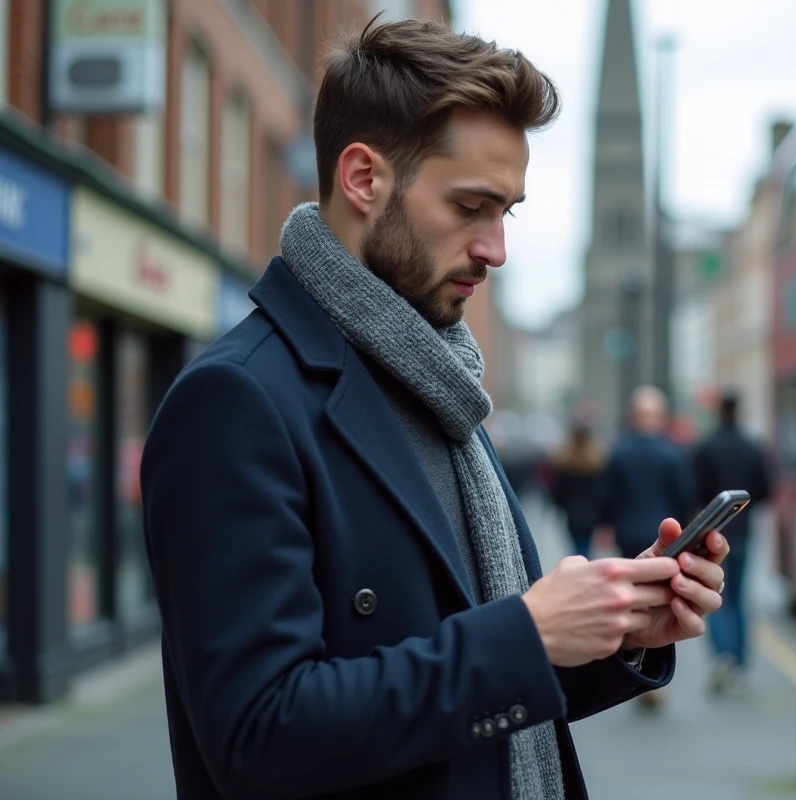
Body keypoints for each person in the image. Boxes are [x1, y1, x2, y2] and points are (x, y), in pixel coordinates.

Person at [140, 18, 728, 800]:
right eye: (471, 207)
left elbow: (480, 700)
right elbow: (258, 737)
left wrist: (611, 634)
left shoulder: (440, 385)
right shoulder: (235, 402)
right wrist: (527, 635)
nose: (496, 249)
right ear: (363, 179)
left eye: (507, 212)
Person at [597, 386, 695, 709]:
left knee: (635, 602)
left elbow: (607, 497)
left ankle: (634, 671)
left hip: (628, 534)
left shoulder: (619, 452)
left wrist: (609, 524)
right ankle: (655, 680)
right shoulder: (672, 453)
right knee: (661, 603)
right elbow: (684, 496)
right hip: (666, 536)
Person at [693, 392, 773, 694]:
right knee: (740, 597)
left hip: (713, 535)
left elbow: (695, 491)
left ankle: (723, 655)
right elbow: (765, 491)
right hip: (744, 532)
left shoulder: (706, 447)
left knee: (716, 596)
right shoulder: (752, 447)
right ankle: (739, 660)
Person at [548, 420, 606, 556]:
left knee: (577, 547)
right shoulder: (597, 464)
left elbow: (558, 493)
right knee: (586, 546)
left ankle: (581, 566)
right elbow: (602, 492)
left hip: (572, 514)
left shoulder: (565, 463)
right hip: (591, 515)